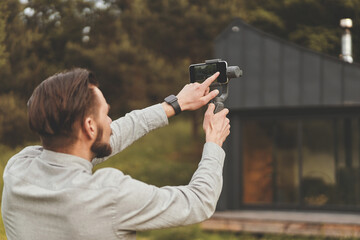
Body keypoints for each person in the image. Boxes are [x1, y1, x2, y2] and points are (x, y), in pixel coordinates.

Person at [2, 68, 230, 240]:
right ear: (90, 126)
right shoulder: (108, 194)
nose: (111, 122)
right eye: (106, 114)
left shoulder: (18, 169)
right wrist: (213, 142)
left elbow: (97, 142)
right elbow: (199, 202)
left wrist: (174, 105)